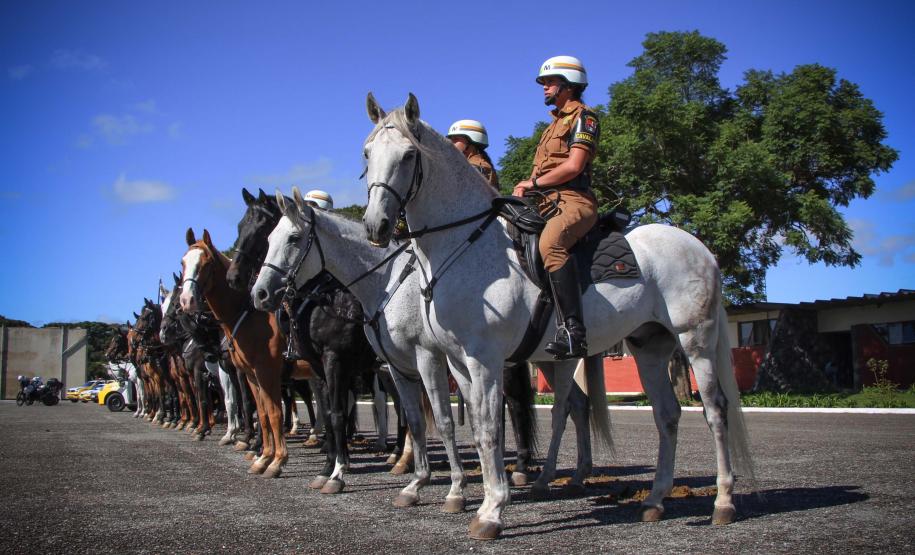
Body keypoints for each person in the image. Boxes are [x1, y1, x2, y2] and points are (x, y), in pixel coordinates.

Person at [513, 55, 599, 360]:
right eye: (545, 83)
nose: (545, 88)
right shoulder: (553, 124)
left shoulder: (584, 118)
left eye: (550, 82)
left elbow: (575, 165)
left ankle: (574, 331)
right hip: (546, 203)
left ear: (568, 86)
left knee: (551, 244)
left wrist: (532, 184)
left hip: (575, 201)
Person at [446, 119, 500, 190]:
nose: (451, 143)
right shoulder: (464, 164)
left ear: (471, 142)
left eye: (456, 139)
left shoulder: (478, 167)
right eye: (450, 139)